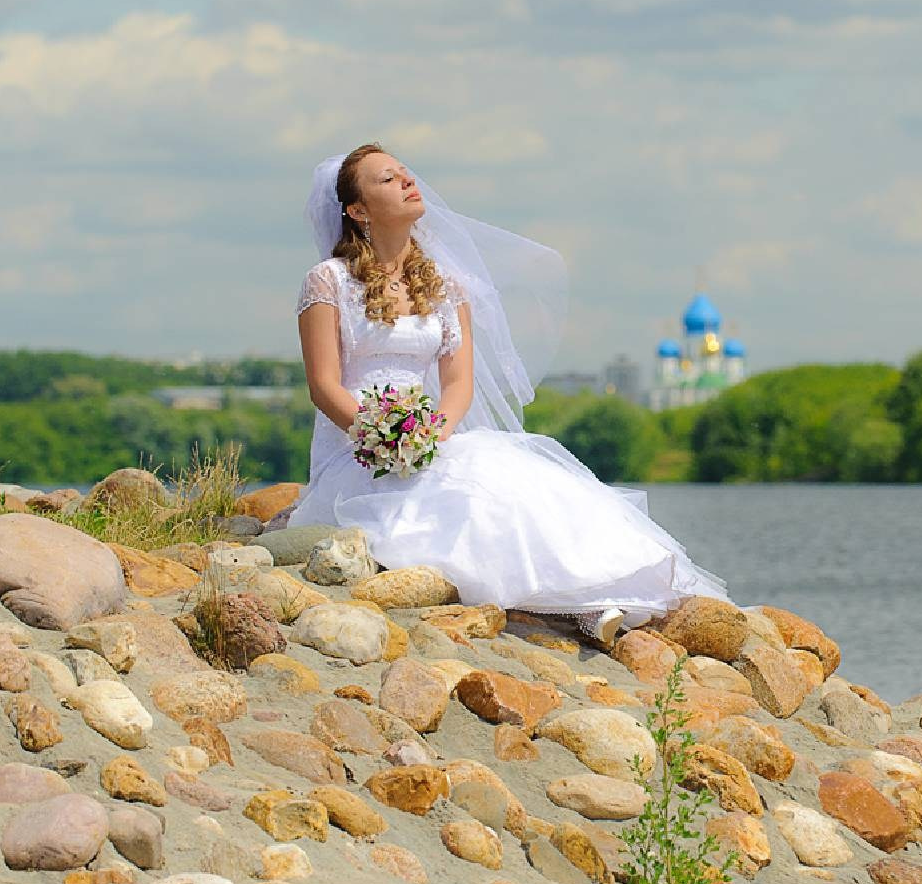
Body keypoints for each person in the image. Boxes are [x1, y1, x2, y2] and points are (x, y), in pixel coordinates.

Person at [284, 143, 733, 645]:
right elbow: (324, 385)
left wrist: (432, 436)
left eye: (407, 173)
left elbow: (458, 384)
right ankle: (573, 606)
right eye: (387, 179)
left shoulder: (445, 286)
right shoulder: (329, 281)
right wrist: (383, 437)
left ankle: (593, 594)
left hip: (430, 434)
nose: (408, 182)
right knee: (460, 508)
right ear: (357, 209)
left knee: (510, 474)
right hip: (358, 447)